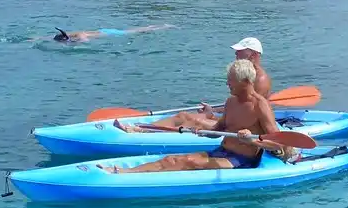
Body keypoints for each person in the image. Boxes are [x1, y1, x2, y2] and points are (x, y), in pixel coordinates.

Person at [102, 59, 295, 173]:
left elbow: (276, 142)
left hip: (240, 160)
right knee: (171, 159)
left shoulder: (260, 105)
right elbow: (219, 130)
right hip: (221, 151)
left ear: (245, 81)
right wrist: (204, 131)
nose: (227, 83)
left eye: (231, 80)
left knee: (185, 161)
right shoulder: (231, 101)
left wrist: (252, 141)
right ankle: (128, 172)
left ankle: (123, 173)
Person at [138, 37, 270, 132]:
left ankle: (142, 131)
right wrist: (213, 112)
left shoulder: (260, 79)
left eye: (241, 51)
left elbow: (247, 112)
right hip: (230, 119)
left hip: (241, 127)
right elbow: (239, 105)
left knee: (185, 117)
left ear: (254, 54)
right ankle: (144, 129)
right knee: (184, 115)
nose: (236, 53)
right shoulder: (246, 74)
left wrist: (212, 113)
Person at [41, 25, 173, 44]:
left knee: (138, 31)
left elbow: (84, 41)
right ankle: (162, 26)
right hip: (106, 31)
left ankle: (163, 26)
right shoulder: (75, 33)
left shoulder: (79, 35)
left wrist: (75, 44)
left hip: (113, 34)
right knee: (137, 29)